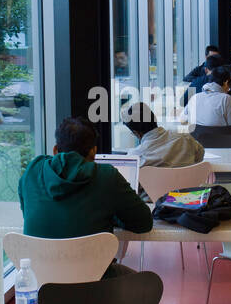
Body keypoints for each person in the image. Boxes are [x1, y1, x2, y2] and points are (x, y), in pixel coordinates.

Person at [18, 115, 153, 274]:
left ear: (55, 150)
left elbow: (26, 210)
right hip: (95, 285)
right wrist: (111, 214)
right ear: (93, 151)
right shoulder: (107, 176)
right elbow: (144, 223)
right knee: (147, 282)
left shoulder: (32, 171)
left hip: (42, 286)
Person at [122, 101, 204, 168]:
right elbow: (200, 155)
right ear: (155, 119)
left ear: (137, 133)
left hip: (154, 188)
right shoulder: (184, 137)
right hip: (189, 186)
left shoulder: (136, 157)